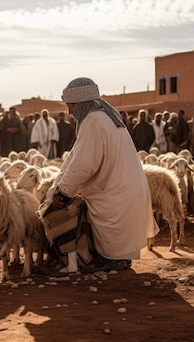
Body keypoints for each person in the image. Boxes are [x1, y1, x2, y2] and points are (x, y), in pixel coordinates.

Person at [47, 77, 157, 272]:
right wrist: (59, 184)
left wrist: (62, 193)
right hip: (125, 185)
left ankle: (113, 259)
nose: (69, 112)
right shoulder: (103, 117)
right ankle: (119, 257)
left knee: (106, 222)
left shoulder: (93, 121)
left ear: (80, 103)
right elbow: (75, 156)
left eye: (70, 105)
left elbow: (83, 164)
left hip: (115, 190)